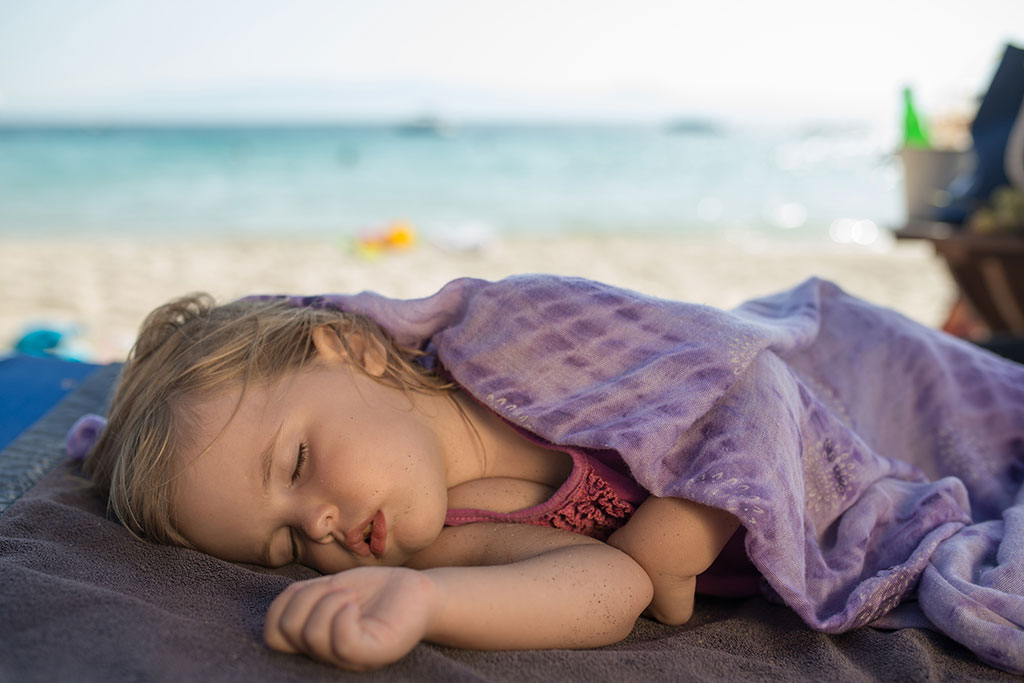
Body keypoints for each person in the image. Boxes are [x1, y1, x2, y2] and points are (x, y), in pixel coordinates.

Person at [81, 275, 1024, 674]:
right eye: (285, 540)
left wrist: (689, 520)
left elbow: (737, 373)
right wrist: (420, 604)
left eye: (296, 463)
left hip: (840, 373)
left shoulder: (516, 331)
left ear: (349, 352)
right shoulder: (446, 533)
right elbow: (610, 586)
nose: (321, 523)